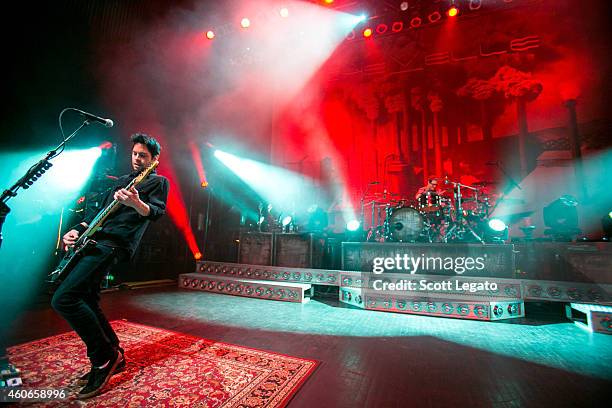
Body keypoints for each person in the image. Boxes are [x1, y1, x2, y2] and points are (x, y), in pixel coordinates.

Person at [51, 133, 169, 399]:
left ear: (154, 160)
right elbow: (96, 215)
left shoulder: (158, 182)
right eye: (135, 154)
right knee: (87, 299)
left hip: (114, 244)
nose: (137, 159)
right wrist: (77, 230)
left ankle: (103, 358)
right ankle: (115, 354)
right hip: (93, 240)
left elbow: (156, 213)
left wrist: (135, 202)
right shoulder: (122, 181)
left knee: (65, 299)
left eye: (143, 156)